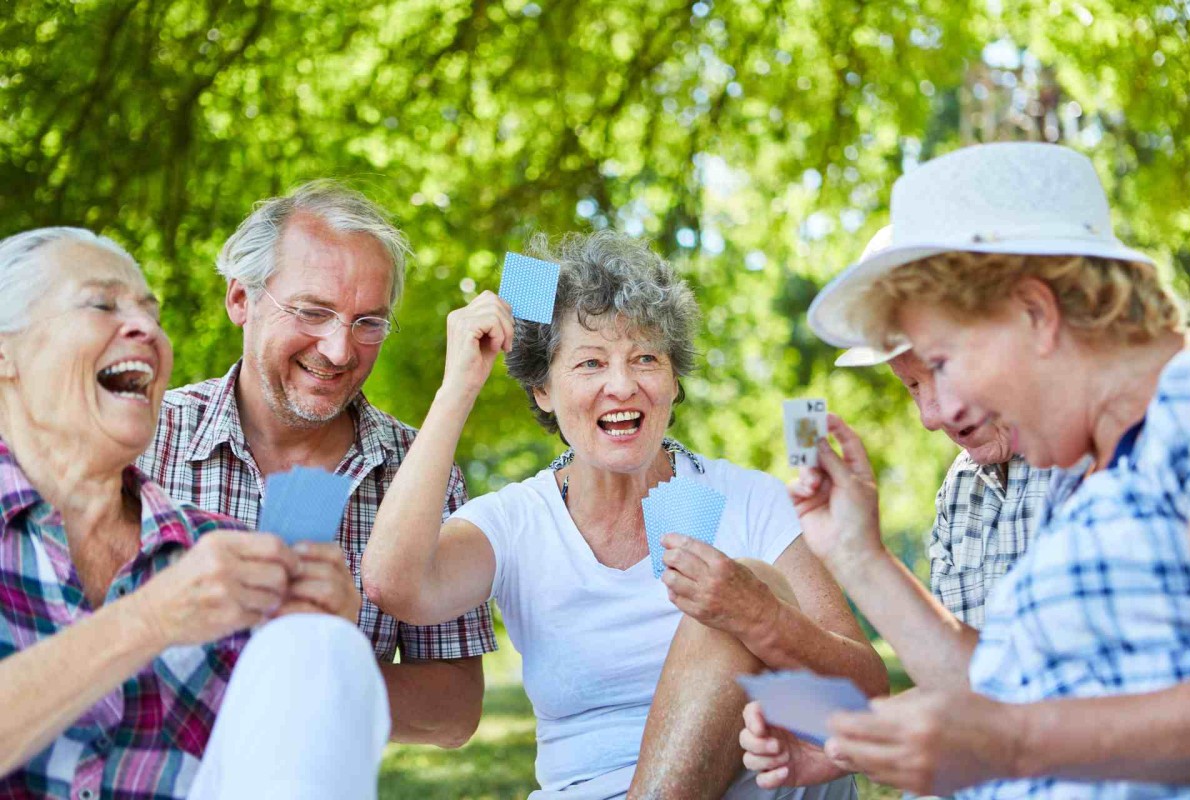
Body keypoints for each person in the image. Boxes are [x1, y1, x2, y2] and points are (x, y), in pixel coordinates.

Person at [361, 230, 889, 799]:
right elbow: (395, 585)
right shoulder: (517, 522)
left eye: (645, 358)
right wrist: (459, 385)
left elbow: (870, 697)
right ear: (542, 390)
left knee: (746, 588)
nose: (622, 385)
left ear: (673, 378)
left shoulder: (751, 500)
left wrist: (763, 617)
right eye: (590, 363)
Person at [743, 142, 1190, 798]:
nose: (938, 412)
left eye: (945, 361)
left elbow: (1014, 730)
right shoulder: (1081, 471)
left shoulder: (1189, 406)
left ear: (1036, 314)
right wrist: (856, 556)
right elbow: (1001, 692)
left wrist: (1015, 744)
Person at [0, 227, 389, 799]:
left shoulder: (224, 559)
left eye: (150, 313)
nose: (146, 329)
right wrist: (150, 620)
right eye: (101, 304)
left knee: (318, 649)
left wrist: (317, 645)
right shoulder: (193, 583)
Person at [137, 181, 497, 747]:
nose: (338, 350)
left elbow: (455, 711)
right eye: (312, 311)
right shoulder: (147, 439)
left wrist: (328, 667)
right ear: (240, 300)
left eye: (368, 322)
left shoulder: (417, 473)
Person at [836, 227, 1051, 627]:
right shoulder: (960, 489)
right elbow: (964, 674)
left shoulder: (1104, 449)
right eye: (913, 386)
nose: (931, 417)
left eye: (943, 369)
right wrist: (857, 550)